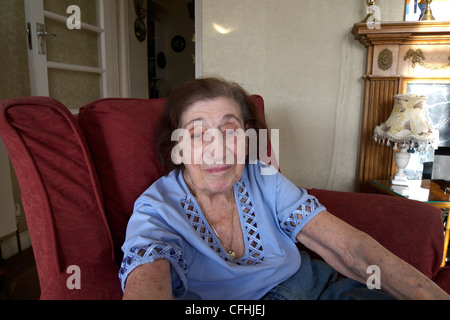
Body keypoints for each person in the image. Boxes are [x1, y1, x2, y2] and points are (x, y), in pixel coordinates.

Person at [119, 77, 449, 300]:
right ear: (176, 147)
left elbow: (349, 249)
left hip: (318, 287)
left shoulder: (263, 177)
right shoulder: (157, 210)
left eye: (229, 130)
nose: (217, 149)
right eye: (196, 133)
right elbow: (146, 282)